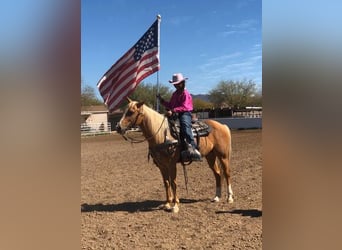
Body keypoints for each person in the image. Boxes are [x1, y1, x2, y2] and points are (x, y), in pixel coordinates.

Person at [157, 73, 201, 161]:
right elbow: (171, 105)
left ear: (182, 83)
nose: (176, 86)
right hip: (176, 114)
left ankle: (193, 148)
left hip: (185, 113)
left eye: (177, 84)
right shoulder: (175, 94)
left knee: (185, 126)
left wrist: (173, 110)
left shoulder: (185, 94)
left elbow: (184, 106)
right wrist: (162, 101)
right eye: (175, 84)